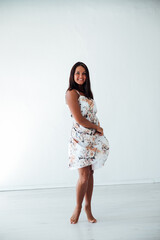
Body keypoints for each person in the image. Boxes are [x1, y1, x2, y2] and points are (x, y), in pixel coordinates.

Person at [65, 61, 109, 224]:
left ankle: (88, 208)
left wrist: (96, 130)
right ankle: (77, 207)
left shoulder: (87, 94)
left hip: (92, 139)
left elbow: (90, 115)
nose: (80, 76)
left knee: (90, 174)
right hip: (80, 140)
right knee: (83, 176)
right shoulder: (71, 93)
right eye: (77, 73)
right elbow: (79, 119)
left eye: (84, 73)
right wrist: (97, 127)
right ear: (72, 75)